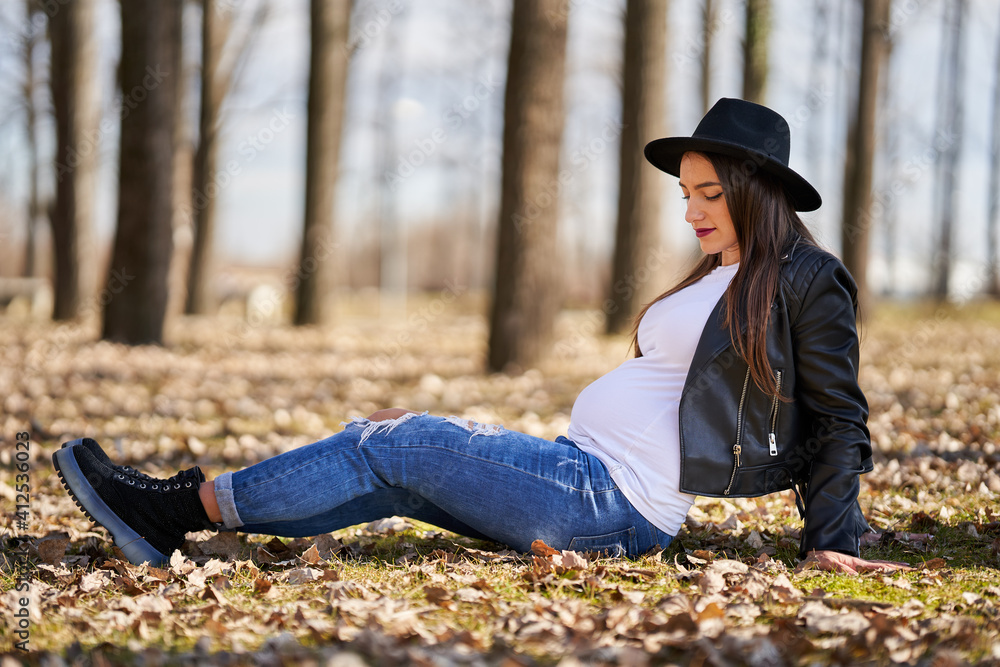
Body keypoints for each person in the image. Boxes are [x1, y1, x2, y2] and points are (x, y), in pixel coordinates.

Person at [53, 98, 911, 575]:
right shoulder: (719, 274)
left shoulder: (803, 278)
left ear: (757, 189)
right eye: (684, 194)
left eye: (708, 195)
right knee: (381, 444)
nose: (689, 211)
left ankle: (171, 507)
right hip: (582, 474)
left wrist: (832, 540)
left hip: (610, 503)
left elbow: (840, 417)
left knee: (407, 440)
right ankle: (173, 518)